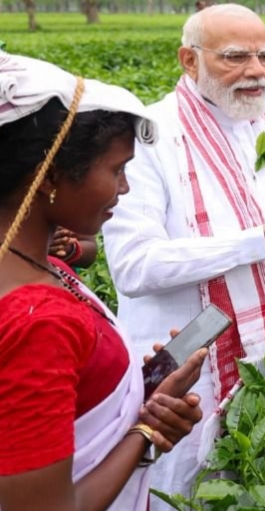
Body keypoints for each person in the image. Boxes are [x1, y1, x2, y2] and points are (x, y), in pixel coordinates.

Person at [101, 4, 265, 508]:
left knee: (264, 483)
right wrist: (263, 239)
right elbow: (134, 265)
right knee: (179, 490)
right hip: (189, 370)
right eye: (236, 57)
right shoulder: (151, 134)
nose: (257, 71)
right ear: (188, 60)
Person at [0, 51, 205, 511]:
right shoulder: (37, 322)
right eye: (116, 170)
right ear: (49, 175)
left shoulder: (31, 261)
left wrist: (139, 388)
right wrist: (146, 433)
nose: (125, 188)